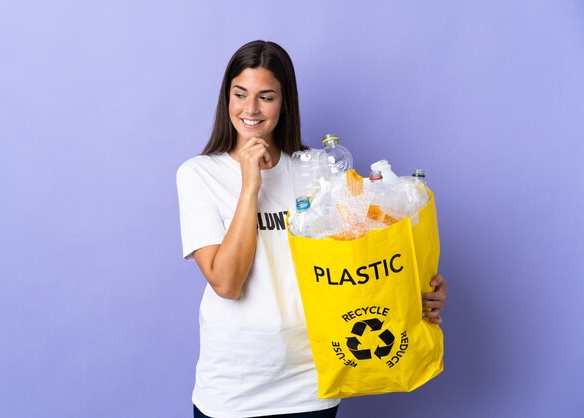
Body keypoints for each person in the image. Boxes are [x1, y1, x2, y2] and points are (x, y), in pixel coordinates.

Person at [176, 40, 448, 418]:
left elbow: (360, 262)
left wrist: (417, 292)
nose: (250, 109)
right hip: (233, 385)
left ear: (284, 102)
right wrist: (250, 185)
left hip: (311, 382)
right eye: (240, 94)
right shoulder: (198, 174)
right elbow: (227, 283)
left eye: (266, 97)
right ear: (227, 98)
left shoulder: (319, 171)